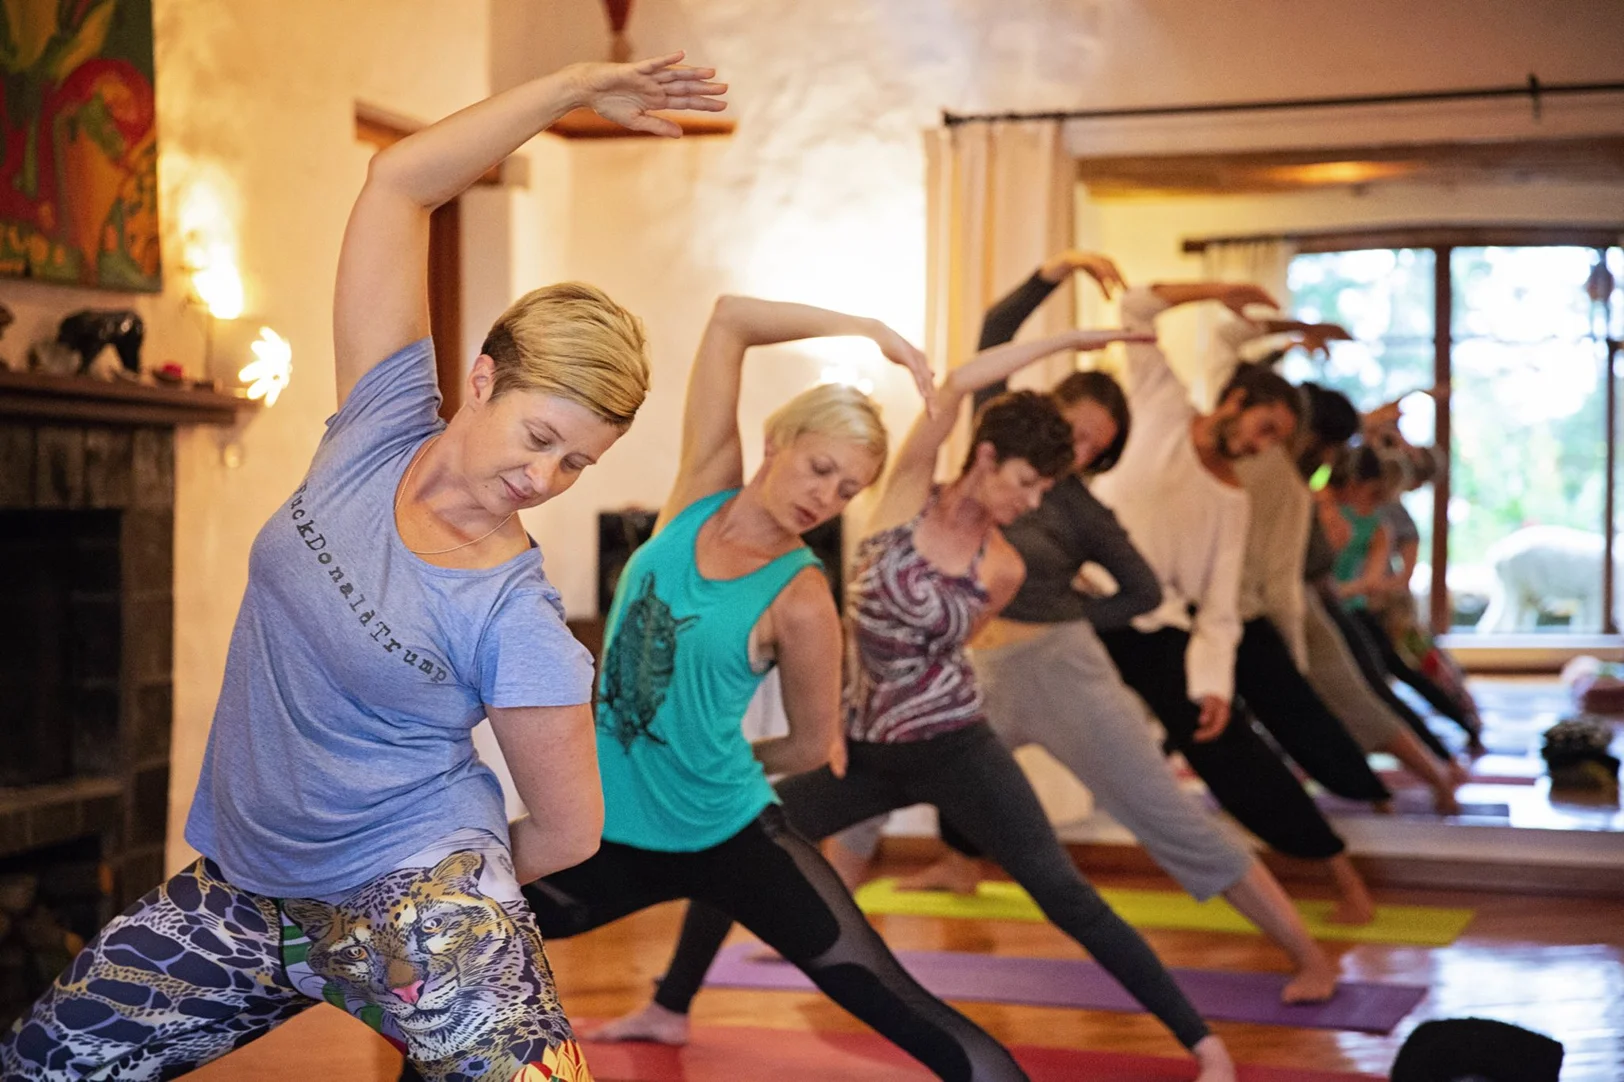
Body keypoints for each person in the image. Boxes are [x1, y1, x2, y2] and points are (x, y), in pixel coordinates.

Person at [0, 53, 727, 1082]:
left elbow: (572, 831)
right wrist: (566, 90)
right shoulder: (378, 424)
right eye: (539, 436)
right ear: (483, 378)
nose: (545, 477)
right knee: (42, 1064)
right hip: (245, 891)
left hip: (410, 889)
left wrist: (444, 899)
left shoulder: (516, 615)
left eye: (577, 462)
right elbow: (398, 182)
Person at [596, 321, 1240, 1082]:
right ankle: (670, 1006)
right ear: (986, 457)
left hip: (954, 745)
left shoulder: (1001, 566)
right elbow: (962, 381)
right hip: (863, 751)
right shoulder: (904, 497)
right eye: (1026, 481)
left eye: (1044, 491)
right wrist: (1079, 338)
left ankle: (1202, 1041)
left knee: (1062, 891)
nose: (1032, 502)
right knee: (737, 845)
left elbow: (942, 656)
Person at [518, 294, 1032, 1082]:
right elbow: (729, 319)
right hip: (605, 832)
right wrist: (869, 329)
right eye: (821, 468)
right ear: (777, 441)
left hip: (730, 835)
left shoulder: (802, 595)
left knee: (897, 1002)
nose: (826, 497)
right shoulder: (699, 492)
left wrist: (708, 756)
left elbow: (809, 745)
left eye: (848, 489)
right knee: (451, 946)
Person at [893, 250, 1339, 1004]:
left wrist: (1068, 609)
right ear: (1050, 409)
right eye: (1078, 432)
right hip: (980, 674)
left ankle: (1309, 955)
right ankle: (800, 943)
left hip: (1062, 672)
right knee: (867, 779)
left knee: (1169, 819)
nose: (1081, 452)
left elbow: (1142, 592)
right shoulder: (993, 446)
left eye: (1098, 447)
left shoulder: (1079, 510)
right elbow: (995, 330)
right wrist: (1056, 269)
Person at [1091, 281, 1376, 925]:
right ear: (1238, 400)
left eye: (1273, 444)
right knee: (994, 714)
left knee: (1232, 752)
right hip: (1079, 604)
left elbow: (1218, 609)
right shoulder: (1162, 403)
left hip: (1153, 627)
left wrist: (1215, 686)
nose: (1257, 447)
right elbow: (1136, 308)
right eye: (1263, 429)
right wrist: (1221, 290)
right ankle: (961, 859)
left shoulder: (1232, 499)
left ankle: (1337, 870)